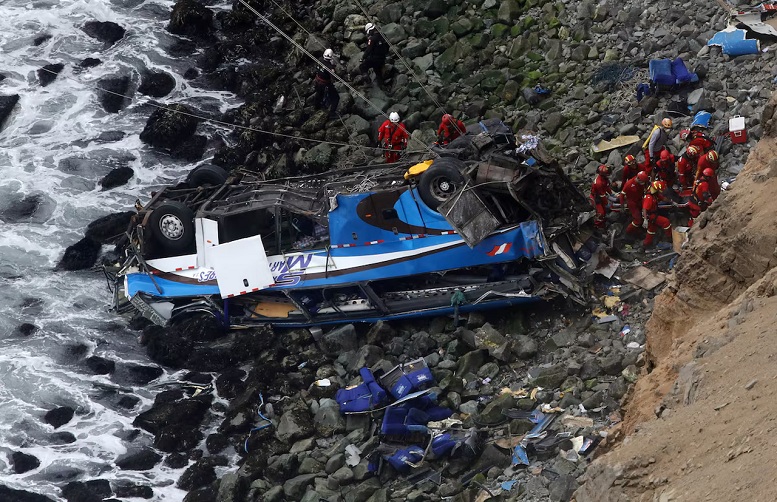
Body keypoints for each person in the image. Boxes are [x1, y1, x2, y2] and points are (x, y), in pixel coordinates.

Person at [642, 180, 672, 248]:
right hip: (651, 215)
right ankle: (669, 239)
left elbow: (663, 198)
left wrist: (671, 202)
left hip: (652, 214)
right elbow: (644, 209)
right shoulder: (649, 197)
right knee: (666, 222)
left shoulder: (654, 194)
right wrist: (645, 219)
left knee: (651, 231)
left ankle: (645, 245)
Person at [620, 171, 650, 236]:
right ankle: (627, 232)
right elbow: (622, 195)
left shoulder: (641, 182)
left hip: (640, 199)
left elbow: (645, 186)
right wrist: (622, 207)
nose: (643, 183)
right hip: (632, 203)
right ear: (638, 179)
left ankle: (640, 228)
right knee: (638, 220)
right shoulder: (629, 184)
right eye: (642, 182)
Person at [313, 49, 339, 115]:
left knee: (319, 94)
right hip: (325, 84)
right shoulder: (329, 67)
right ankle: (332, 113)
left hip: (318, 81)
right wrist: (333, 67)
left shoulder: (320, 60)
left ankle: (316, 107)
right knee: (336, 98)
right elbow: (334, 77)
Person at [589, 164, 613, 229]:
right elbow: (602, 195)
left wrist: (611, 193)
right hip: (596, 197)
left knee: (604, 211)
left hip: (601, 195)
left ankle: (603, 224)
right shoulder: (598, 183)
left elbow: (607, 186)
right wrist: (606, 203)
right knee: (601, 213)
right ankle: (597, 226)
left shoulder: (604, 179)